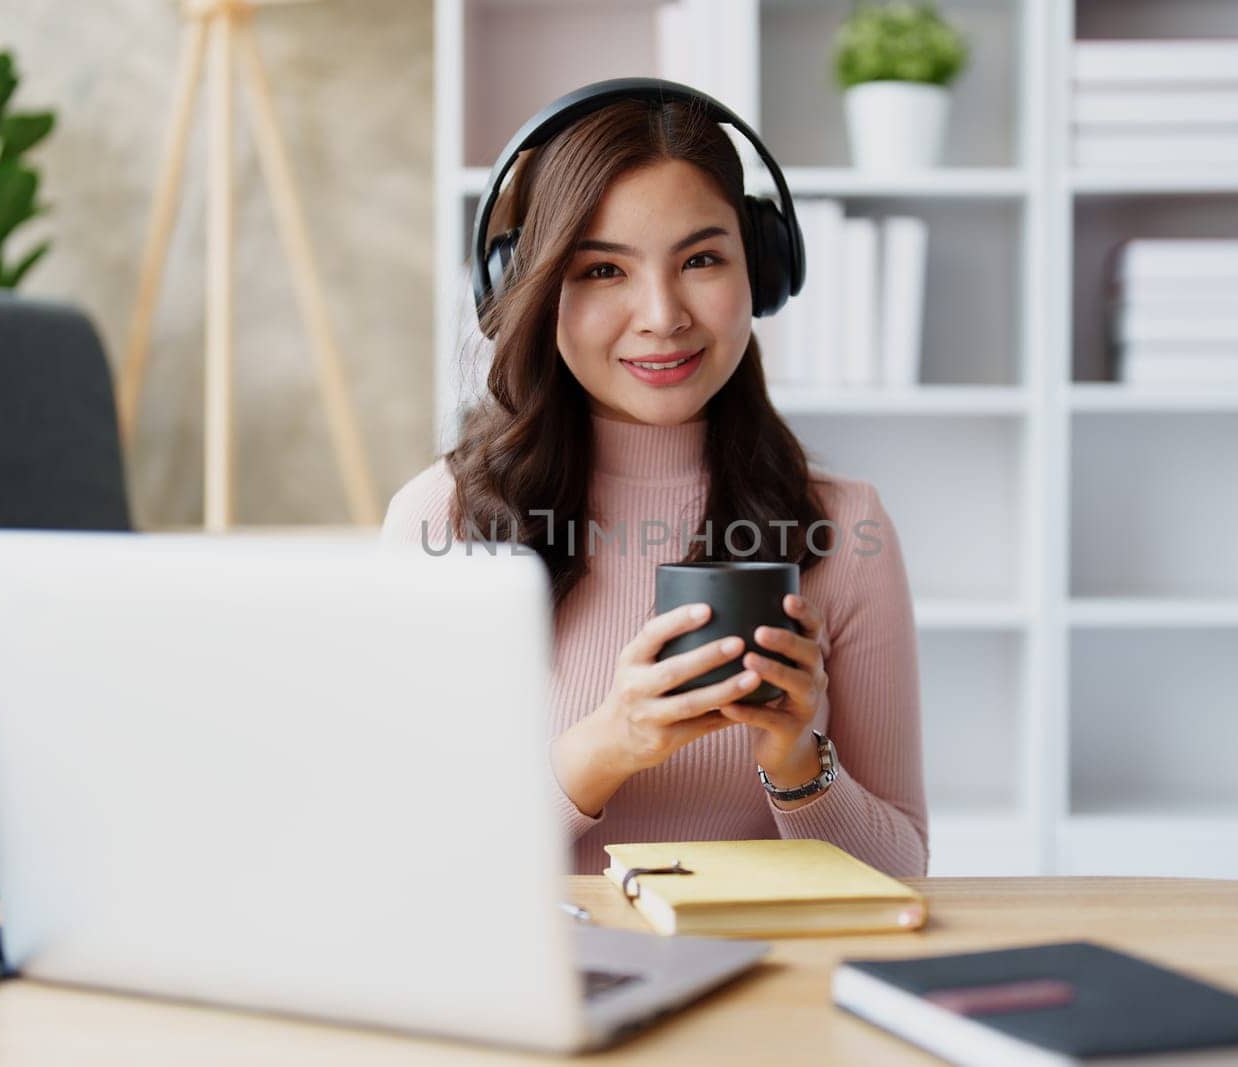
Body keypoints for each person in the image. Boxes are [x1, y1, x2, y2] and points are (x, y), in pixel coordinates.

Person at [381, 84, 928, 877]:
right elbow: (414, 866)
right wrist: (607, 747)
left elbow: (904, 870)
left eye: (701, 259)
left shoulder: (845, 527)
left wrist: (798, 761)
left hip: (772, 986)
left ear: (761, 272)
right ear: (526, 289)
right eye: (603, 269)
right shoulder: (443, 520)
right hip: (551, 991)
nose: (662, 314)